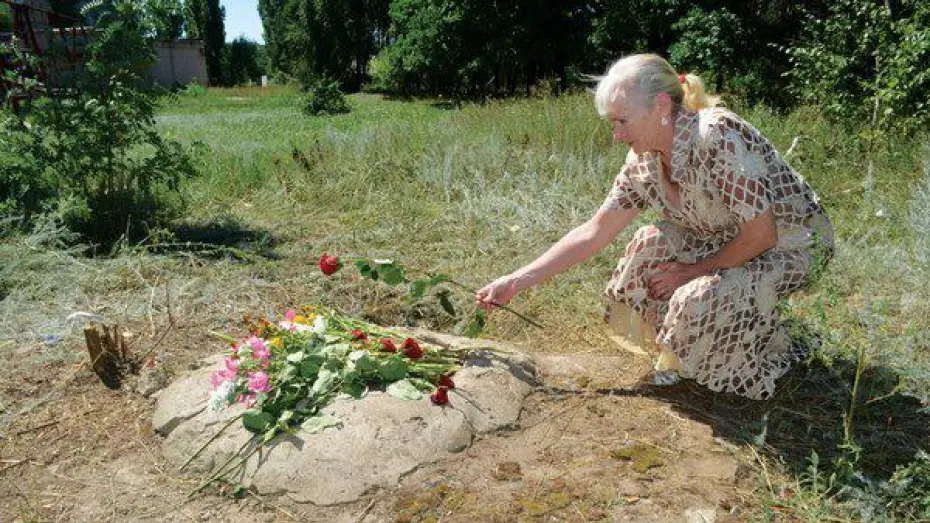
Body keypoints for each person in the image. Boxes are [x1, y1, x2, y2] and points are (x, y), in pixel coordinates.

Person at [475, 53, 834, 400]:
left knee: (698, 297)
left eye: (622, 121)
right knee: (649, 244)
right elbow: (594, 231)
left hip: (791, 245)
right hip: (727, 236)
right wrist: (515, 281)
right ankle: (691, 345)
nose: (616, 135)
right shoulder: (642, 162)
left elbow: (762, 235)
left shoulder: (716, 136)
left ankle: (778, 343)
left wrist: (691, 272)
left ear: (661, 106)